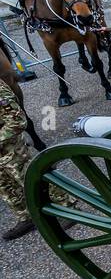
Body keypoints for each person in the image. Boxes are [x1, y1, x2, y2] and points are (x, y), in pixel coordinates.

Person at [0, 81, 73, 240]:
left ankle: (67, 207)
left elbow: (17, 120)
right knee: (6, 186)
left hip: (10, 147)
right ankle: (26, 217)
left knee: (31, 177)